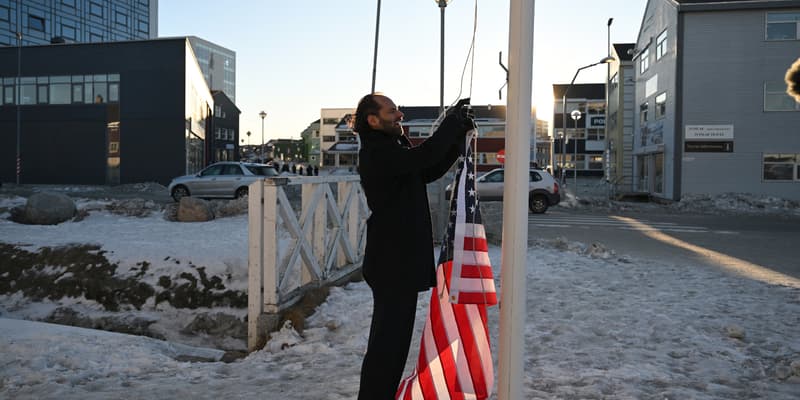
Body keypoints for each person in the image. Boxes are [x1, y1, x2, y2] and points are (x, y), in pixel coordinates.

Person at [355, 93, 473, 400]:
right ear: (373, 120)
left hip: (398, 263)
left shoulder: (391, 147)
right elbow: (423, 157)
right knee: (386, 348)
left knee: (393, 347)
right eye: (392, 111)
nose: (400, 115)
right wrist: (450, 123)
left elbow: (427, 169)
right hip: (391, 264)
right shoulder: (377, 152)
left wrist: (456, 139)